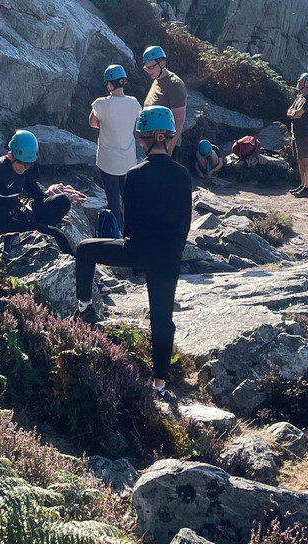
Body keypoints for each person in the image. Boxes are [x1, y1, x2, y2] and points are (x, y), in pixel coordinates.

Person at [73, 106, 192, 403]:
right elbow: (184, 224)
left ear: (148, 139)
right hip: (168, 256)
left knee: (85, 250)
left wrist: (137, 257)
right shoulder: (183, 175)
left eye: (141, 138)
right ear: (167, 138)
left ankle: (85, 308)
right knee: (162, 318)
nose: (139, 143)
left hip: (137, 249)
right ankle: (160, 384)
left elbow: (130, 225)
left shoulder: (135, 175)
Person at [0, 130, 82, 255]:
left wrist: (53, 211)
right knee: (58, 235)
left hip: (22, 214)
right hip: (6, 222)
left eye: (28, 164)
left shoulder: (25, 169)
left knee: (62, 200)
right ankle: (74, 263)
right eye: (20, 163)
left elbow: (36, 193)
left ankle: (40, 231)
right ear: (10, 155)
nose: (23, 168)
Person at [89, 64, 142, 230]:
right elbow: (137, 122)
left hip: (107, 160)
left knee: (112, 199)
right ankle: (130, 230)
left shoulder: (101, 104)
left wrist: (105, 124)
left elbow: (92, 123)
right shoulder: (134, 103)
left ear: (110, 84)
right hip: (128, 161)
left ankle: (115, 233)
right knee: (128, 198)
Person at [141, 45, 187, 156]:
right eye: (146, 67)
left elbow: (179, 119)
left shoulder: (174, 84)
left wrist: (169, 150)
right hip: (151, 141)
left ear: (162, 63)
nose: (148, 71)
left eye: (151, 67)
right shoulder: (157, 79)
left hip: (164, 145)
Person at [287, 72, 308, 198]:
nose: (298, 81)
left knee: (306, 160)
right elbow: (289, 111)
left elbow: (297, 114)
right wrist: (292, 113)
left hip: (304, 134)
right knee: (300, 160)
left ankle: (307, 188)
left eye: (302, 79)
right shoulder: (300, 97)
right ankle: (302, 185)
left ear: (307, 83)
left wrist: (293, 113)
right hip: (297, 133)